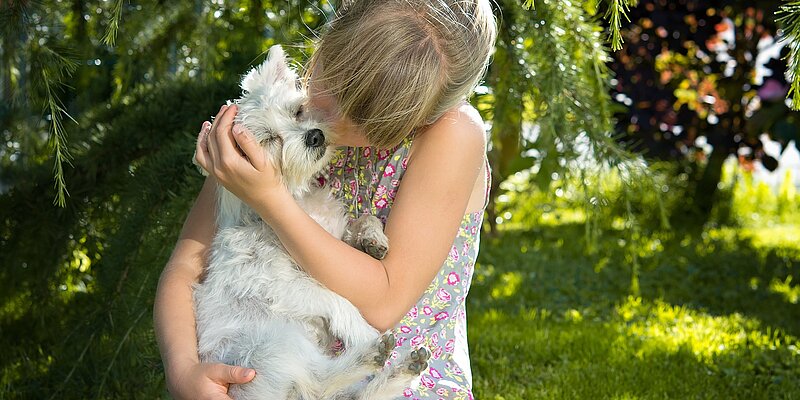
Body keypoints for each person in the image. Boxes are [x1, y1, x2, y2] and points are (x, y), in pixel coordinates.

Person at [153, 0, 497, 399]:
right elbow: (187, 262)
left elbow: (383, 302)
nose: (326, 118)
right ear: (327, 39)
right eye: (329, 82)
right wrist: (182, 369)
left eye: (365, 119)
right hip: (274, 375)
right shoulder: (277, 118)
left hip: (400, 382)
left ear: (421, 118)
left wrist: (269, 199)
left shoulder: (452, 135)